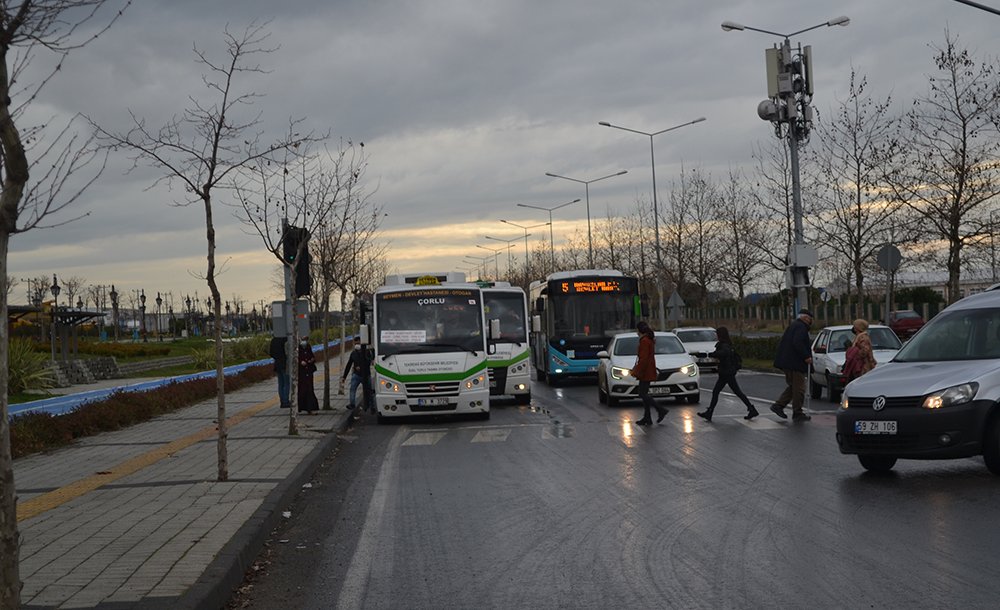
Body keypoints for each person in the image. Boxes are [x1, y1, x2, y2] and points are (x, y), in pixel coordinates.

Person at [697, 326, 759, 422]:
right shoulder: (726, 343)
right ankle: (751, 409)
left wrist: (714, 354)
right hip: (726, 372)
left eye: (717, 334)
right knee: (728, 392)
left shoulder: (724, 345)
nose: (716, 336)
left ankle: (710, 412)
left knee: (721, 392)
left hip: (727, 372)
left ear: (720, 335)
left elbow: (724, 353)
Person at [770, 308, 814, 422]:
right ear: (805, 318)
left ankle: (779, 405)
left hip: (788, 362)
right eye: (810, 319)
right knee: (799, 388)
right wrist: (806, 356)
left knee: (793, 386)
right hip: (795, 363)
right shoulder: (801, 327)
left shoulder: (794, 325)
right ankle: (797, 412)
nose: (810, 321)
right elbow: (797, 342)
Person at [631, 320, 668, 426]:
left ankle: (660, 410)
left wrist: (638, 371)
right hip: (648, 369)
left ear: (639, 330)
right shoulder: (648, 339)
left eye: (637, 330)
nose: (636, 332)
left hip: (645, 371)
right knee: (644, 393)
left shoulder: (644, 341)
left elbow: (643, 359)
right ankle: (647, 417)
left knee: (642, 393)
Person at [340, 336, 374, 416]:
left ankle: (372, 406)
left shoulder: (367, 352)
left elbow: (369, 362)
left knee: (369, 391)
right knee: (352, 389)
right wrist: (344, 377)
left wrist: (361, 366)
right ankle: (352, 404)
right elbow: (349, 365)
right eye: (355, 343)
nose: (357, 344)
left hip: (366, 375)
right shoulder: (353, 353)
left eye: (358, 343)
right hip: (356, 375)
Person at [297, 339, 319, 414]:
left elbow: (312, 356)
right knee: (302, 389)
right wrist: (300, 362)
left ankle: (310, 408)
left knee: (309, 389)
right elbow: (295, 359)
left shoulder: (308, 347)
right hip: (301, 373)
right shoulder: (297, 349)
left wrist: (311, 360)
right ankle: (301, 407)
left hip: (309, 372)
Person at [269, 336, 291, 409]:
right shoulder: (285, 339)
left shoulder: (274, 340)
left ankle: (282, 401)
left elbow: (271, 353)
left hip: (277, 364)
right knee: (286, 383)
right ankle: (286, 401)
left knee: (281, 384)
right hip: (285, 364)